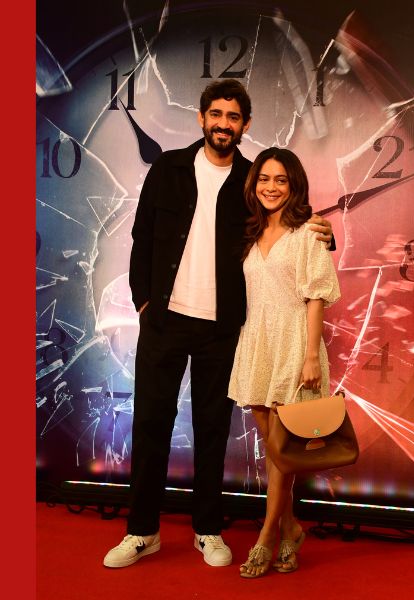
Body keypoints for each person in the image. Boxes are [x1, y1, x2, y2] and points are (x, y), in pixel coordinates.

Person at [102, 79, 333, 569]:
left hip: (223, 329)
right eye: (216, 114)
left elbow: (284, 224)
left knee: (212, 431)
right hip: (165, 320)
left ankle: (208, 530)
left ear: (244, 125)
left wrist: (324, 231)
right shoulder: (167, 168)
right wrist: (144, 302)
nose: (223, 124)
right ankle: (142, 531)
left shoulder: (252, 180)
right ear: (202, 118)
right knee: (150, 425)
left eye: (233, 117)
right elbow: (142, 237)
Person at [228, 148, 341, 578]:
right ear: (253, 184)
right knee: (278, 452)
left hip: (294, 344)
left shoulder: (309, 231)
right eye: (264, 179)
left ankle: (266, 537)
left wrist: (311, 356)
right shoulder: (251, 230)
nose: (271, 187)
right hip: (257, 342)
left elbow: (316, 297)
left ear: (293, 186)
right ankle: (291, 529)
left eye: (280, 180)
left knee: (281, 450)